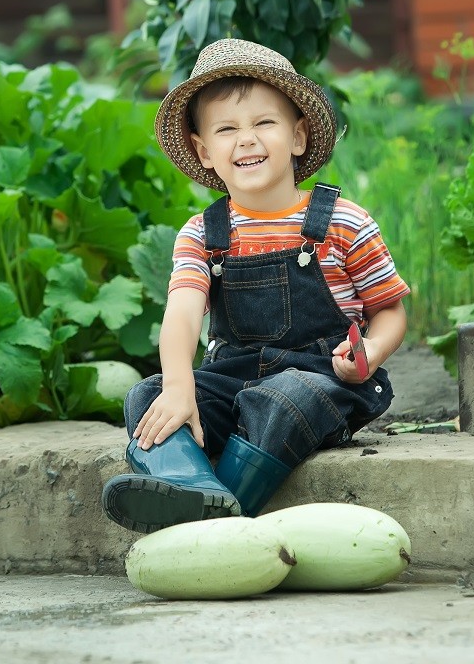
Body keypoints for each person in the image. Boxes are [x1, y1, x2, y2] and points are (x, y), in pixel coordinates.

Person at [102, 38, 410, 534]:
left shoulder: (343, 222)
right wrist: (181, 387)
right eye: (227, 129)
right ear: (205, 151)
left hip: (321, 381)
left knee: (285, 398)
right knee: (148, 395)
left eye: (264, 123)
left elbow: (389, 311)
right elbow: (182, 313)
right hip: (233, 380)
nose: (246, 139)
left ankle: (223, 517)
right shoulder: (203, 234)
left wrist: (368, 355)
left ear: (298, 136)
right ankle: (193, 489)